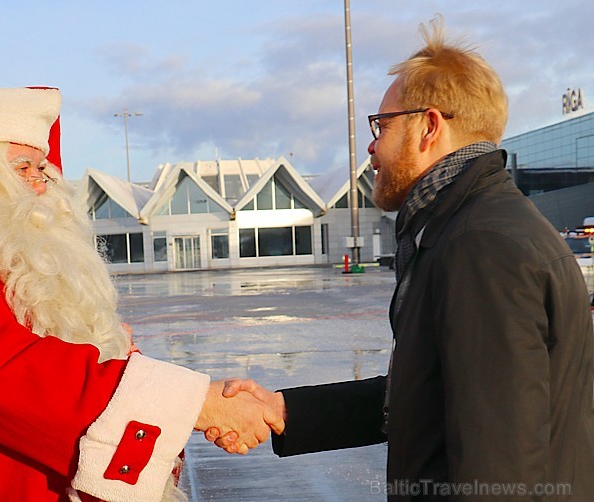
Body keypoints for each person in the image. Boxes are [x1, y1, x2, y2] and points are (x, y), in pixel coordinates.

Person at [209, 17, 594, 500]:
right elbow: (425, 397)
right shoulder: (471, 228)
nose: (372, 145)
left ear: (429, 126)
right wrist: (283, 411)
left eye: (382, 125)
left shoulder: (482, 247)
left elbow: (498, 464)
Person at [0, 87, 284, 502]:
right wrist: (196, 404)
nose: (41, 185)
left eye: (42, 171)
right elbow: (17, 378)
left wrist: (187, 399)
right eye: (23, 168)